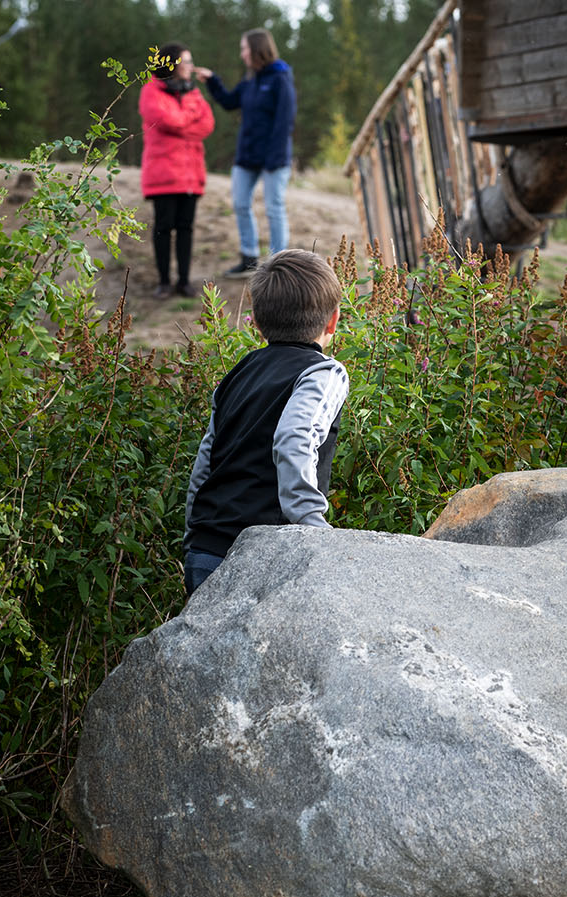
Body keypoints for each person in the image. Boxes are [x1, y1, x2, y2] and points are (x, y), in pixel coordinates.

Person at [183, 249, 349, 597]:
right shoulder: (323, 373)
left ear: (256, 322)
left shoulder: (241, 371)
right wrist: (315, 532)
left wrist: (193, 537)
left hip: (206, 547)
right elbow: (295, 439)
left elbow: (205, 461)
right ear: (333, 321)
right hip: (267, 553)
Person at [195, 29, 296, 278]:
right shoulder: (251, 80)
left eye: (244, 49)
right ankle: (249, 259)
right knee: (240, 204)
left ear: (257, 49)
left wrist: (274, 157)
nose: (242, 54)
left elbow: (285, 120)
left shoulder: (280, 78)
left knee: (274, 208)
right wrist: (212, 81)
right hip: (247, 157)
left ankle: (279, 263)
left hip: (274, 158)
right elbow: (230, 102)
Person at [139, 42, 214, 299]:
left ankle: (183, 281)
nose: (191, 67)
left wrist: (182, 123)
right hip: (163, 174)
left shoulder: (193, 92)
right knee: (163, 227)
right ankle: (163, 281)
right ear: (171, 64)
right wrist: (187, 120)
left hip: (191, 175)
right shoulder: (150, 91)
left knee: (186, 228)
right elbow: (165, 120)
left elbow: (207, 125)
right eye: (186, 61)